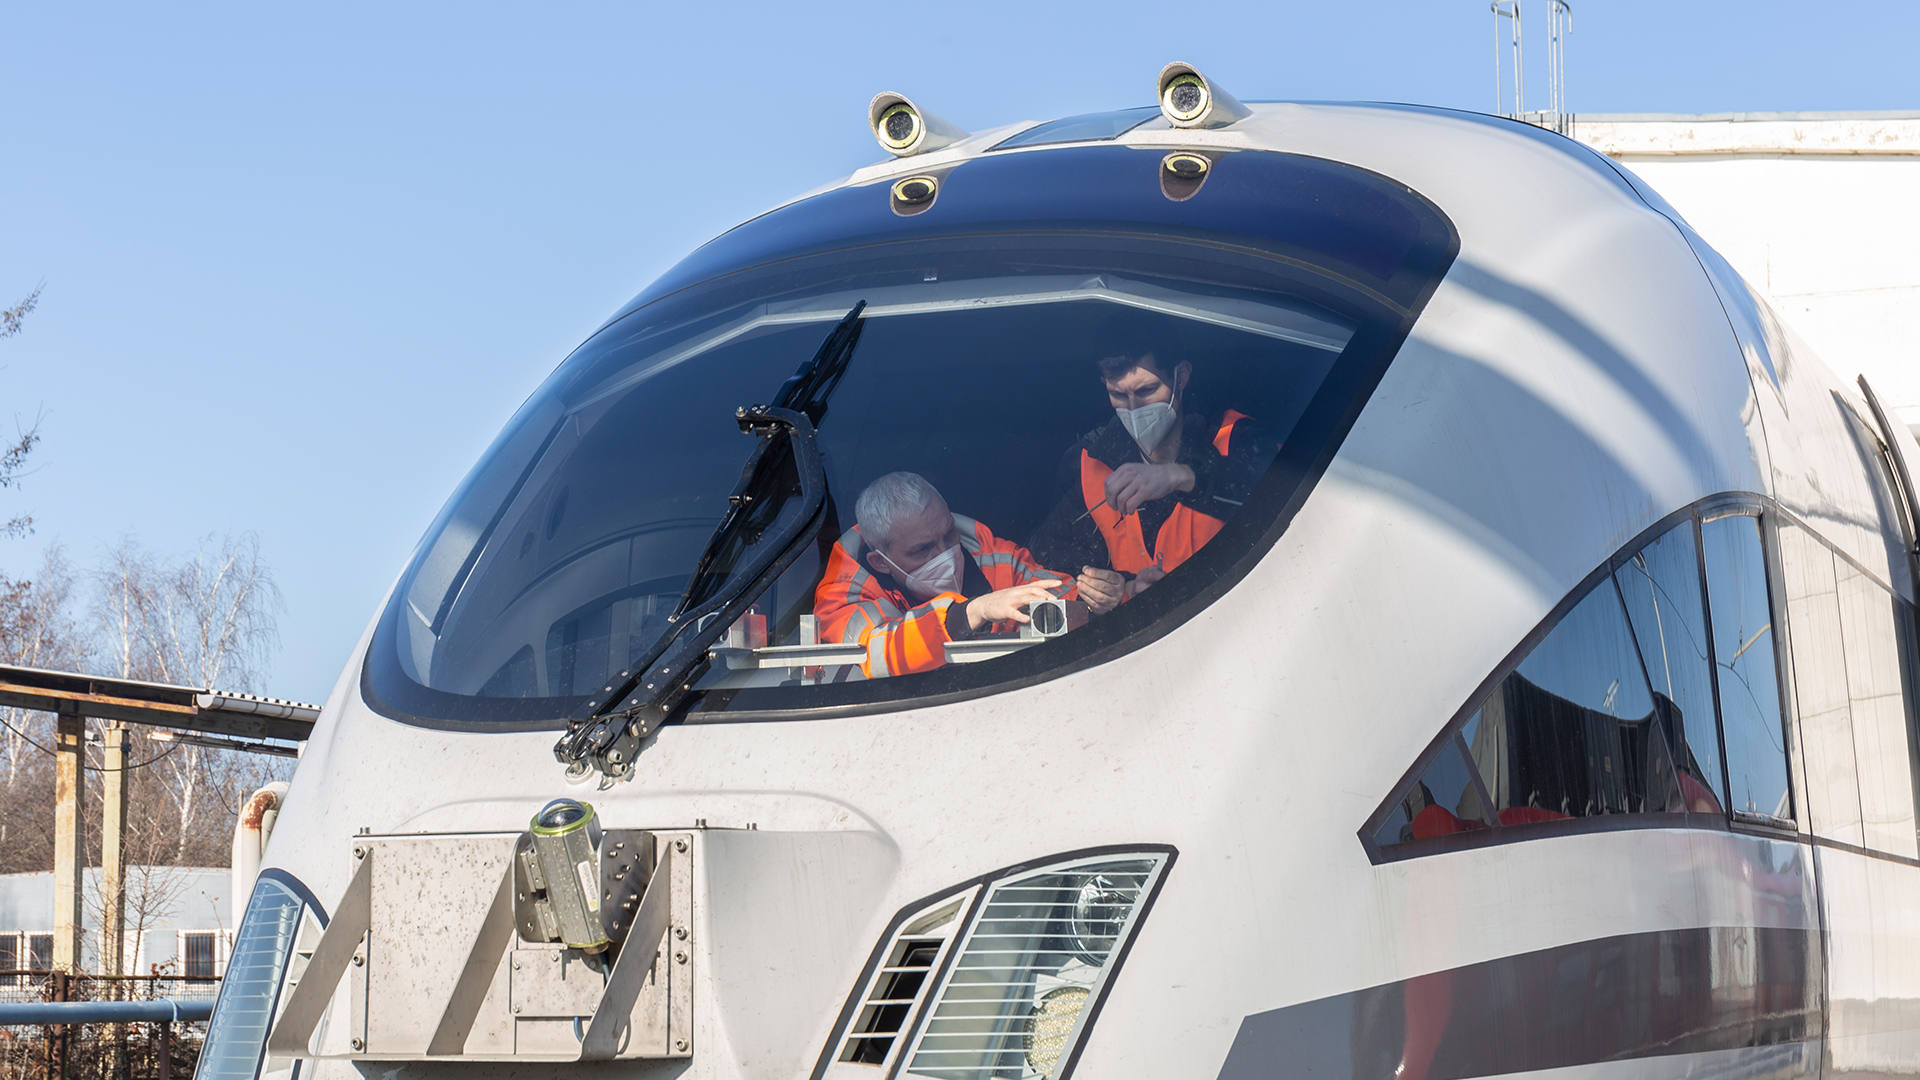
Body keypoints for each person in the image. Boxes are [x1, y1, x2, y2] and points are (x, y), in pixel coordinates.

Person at [1031, 349, 1270, 613]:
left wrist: (1185, 477)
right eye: (1119, 395)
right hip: (1137, 641)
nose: (1134, 409)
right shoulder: (1091, 461)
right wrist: (1118, 588)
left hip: (1241, 615)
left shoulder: (1237, 438)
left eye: (1147, 390)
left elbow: (1281, 504)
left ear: (1182, 376)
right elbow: (1049, 555)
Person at [814, 472, 1075, 678]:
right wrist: (975, 612)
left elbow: (1064, 596)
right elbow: (877, 650)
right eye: (923, 549)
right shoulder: (842, 593)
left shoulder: (992, 555)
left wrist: (1096, 597)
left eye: (949, 535)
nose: (946, 553)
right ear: (880, 563)